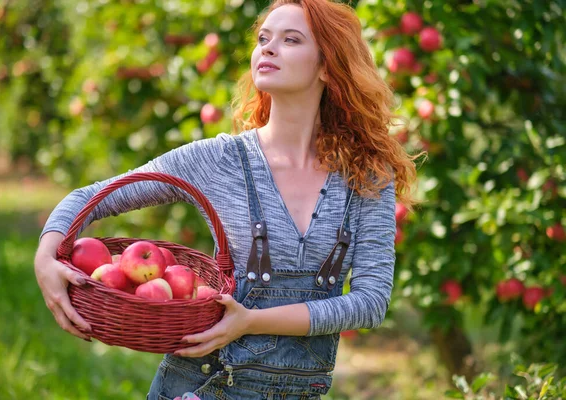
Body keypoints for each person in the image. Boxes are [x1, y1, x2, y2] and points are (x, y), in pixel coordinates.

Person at [34, 0, 420, 398]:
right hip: (202, 384)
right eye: (263, 39)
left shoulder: (366, 173)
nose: (267, 49)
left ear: (327, 65)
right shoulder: (219, 160)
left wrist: (251, 321)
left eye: (290, 40)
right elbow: (89, 197)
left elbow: (370, 301)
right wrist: (45, 257)